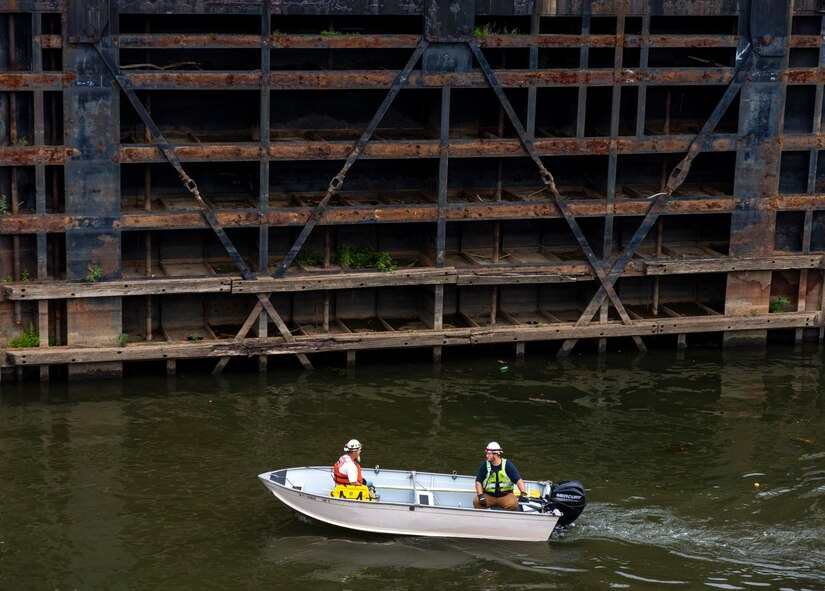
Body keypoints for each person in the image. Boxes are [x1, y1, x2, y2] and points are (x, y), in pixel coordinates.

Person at [473, 441, 528, 511]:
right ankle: (483, 518)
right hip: (488, 495)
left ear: (495, 455)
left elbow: (518, 480)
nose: (486, 455)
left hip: (505, 496)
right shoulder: (484, 465)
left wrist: (523, 493)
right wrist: (481, 495)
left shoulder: (507, 465)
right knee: (476, 501)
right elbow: (478, 482)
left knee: (513, 504)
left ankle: (505, 519)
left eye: (488, 454)